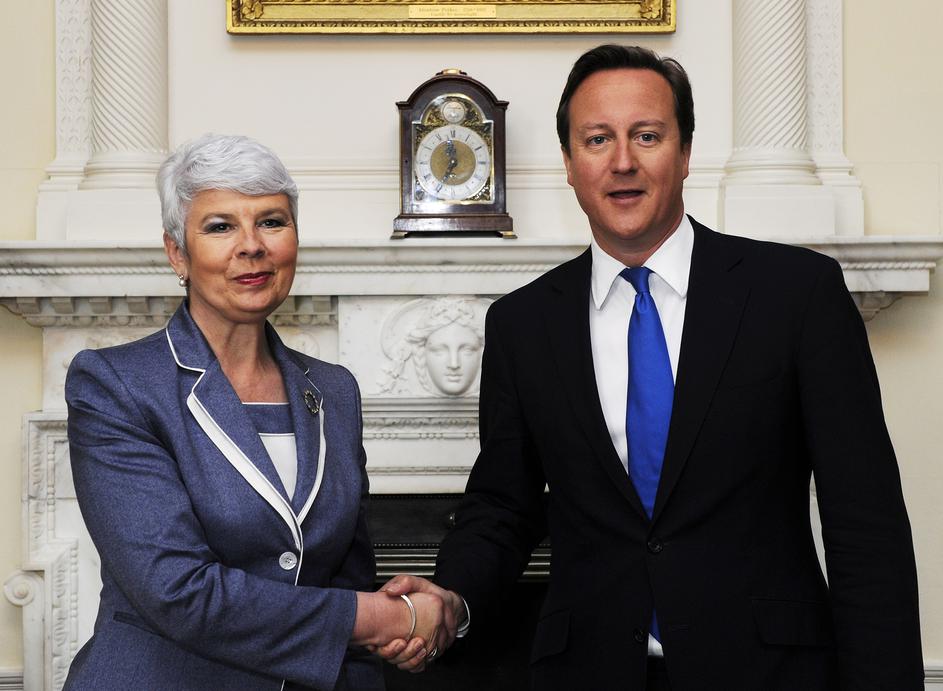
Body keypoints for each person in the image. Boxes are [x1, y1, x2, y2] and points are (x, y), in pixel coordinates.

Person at [382, 44, 924, 689]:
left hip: (770, 672)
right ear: (569, 164)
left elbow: (865, 522)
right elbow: (503, 505)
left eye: (647, 136)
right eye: (597, 139)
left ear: (685, 152)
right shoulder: (523, 324)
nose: (622, 162)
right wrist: (452, 597)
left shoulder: (796, 295)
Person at [64, 134, 442, 690]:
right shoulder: (115, 384)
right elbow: (177, 590)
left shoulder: (334, 391)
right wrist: (385, 619)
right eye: (220, 227)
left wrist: (402, 629)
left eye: (271, 222)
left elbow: (345, 578)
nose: (252, 246)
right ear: (177, 253)